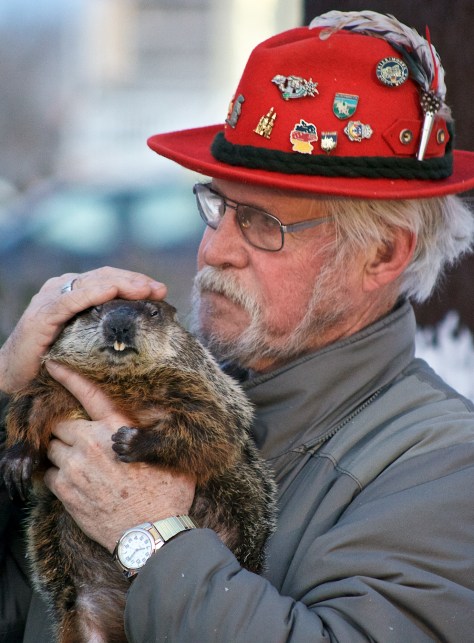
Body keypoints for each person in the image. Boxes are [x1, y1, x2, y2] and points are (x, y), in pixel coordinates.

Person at [2, 9, 474, 642]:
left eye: (261, 223)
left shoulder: (445, 465)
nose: (213, 250)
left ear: (382, 254)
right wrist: (10, 393)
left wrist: (154, 539)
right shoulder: (126, 384)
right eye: (217, 206)